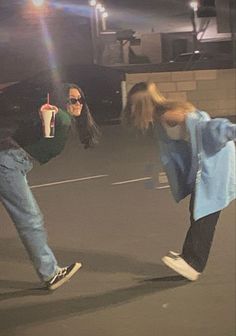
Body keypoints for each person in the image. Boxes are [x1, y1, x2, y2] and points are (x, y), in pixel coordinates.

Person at [123, 81, 236, 281]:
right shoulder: (161, 117)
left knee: (205, 213)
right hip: (204, 162)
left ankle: (194, 265)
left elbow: (209, 127)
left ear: (143, 106)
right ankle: (189, 257)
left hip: (216, 162)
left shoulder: (170, 115)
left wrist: (231, 130)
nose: (132, 110)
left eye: (134, 106)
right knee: (197, 210)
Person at [0, 83, 100, 290]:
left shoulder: (66, 120)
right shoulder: (57, 115)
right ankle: (50, 273)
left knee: (30, 218)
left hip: (12, 162)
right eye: (72, 100)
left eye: (80, 99)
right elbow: (45, 114)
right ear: (61, 101)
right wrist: (46, 113)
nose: (77, 103)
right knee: (30, 219)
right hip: (8, 163)